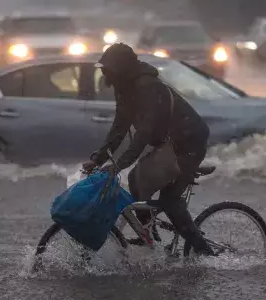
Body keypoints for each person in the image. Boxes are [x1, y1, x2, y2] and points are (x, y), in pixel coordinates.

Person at [82, 43, 216, 256]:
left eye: (108, 69)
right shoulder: (124, 86)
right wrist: (98, 159)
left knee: (170, 200)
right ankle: (149, 238)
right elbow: (120, 127)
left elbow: (144, 133)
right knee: (137, 180)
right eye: (103, 69)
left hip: (189, 142)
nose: (104, 73)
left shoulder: (147, 87)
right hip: (170, 144)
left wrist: (117, 165)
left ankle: (204, 252)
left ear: (122, 68)